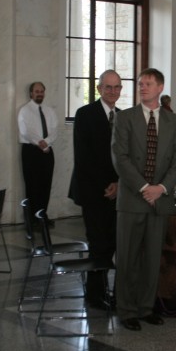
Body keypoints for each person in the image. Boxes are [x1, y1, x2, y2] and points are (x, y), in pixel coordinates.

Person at [111, 68, 176, 331]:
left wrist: (161, 188)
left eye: (148, 84)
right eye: (140, 83)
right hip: (132, 199)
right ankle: (126, 310)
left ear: (160, 87)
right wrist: (144, 188)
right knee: (128, 258)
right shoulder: (125, 118)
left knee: (153, 259)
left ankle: (146, 307)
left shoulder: (174, 121)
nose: (142, 87)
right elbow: (120, 158)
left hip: (159, 201)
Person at [68, 70, 122, 308]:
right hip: (92, 191)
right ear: (99, 89)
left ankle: (105, 291)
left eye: (117, 87)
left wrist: (119, 184)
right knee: (98, 243)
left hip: (117, 192)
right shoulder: (85, 114)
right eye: (108, 87)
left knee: (111, 243)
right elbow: (84, 156)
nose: (112, 91)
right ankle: (95, 294)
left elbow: (125, 156)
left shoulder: (123, 116)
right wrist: (106, 186)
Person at [18, 81, 58, 223]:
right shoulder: (24, 110)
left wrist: (47, 143)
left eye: (42, 91)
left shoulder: (49, 110)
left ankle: (42, 216)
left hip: (47, 151)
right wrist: (41, 144)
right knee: (32, 185)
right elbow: (26, 131)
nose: (39, 94)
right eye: (37, 91)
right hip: (31, 151)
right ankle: (32, 219)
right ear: (31, 93)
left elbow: (54, 130)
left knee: (45, 185)